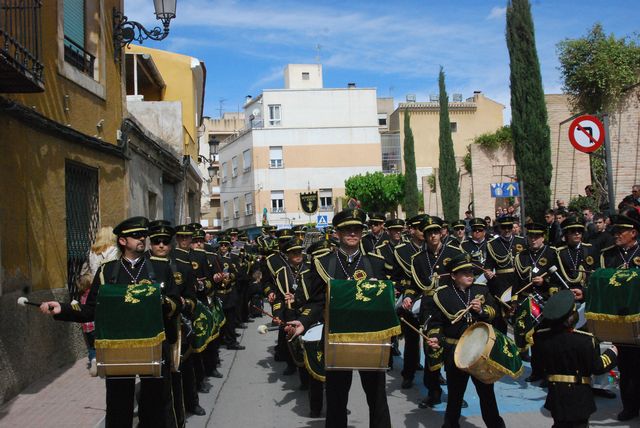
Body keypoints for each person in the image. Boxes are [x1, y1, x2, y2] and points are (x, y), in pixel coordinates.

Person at [39, 216, 182, 428]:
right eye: (135, 235)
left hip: (153, 345)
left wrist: (160, 301)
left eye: (143, 235)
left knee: (154, 406)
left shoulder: (161, 267)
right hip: (118, 347)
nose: (142, 239)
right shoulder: (107, 270)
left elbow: (176, 303)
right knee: (118, 406)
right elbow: (91, 309)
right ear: (123, 241)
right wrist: (63, 309)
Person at [285, 208, 393, 428]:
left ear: (362, 232)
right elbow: (316, 301)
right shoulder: (323, 262)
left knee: (377, 398)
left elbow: (385, 302)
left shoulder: (376, 263)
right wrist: (303, 323)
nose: (352, 233)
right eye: (347, 229)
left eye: (356, 229)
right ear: (337, 232)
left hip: (370, 339)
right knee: (335, 399)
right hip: (336, 337)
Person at [426, 253, 505, 428]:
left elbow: (494, 313)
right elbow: (436, 323)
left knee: (487, 394)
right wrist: (434, 337)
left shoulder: (481, 290)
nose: (470, 275)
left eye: (471, 271)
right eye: (464, 272)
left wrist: (481, 311)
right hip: (456, 352)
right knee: (455, 396)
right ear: (453, 276)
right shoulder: (442, 295)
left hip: (480, 351)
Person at [403, 215, 464, 408]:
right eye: (429, 233)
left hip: (452, 306)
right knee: (432, 349)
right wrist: (408, 297)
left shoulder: (454, 252)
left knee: (455, 352)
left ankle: (456, 394)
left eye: (436, 232)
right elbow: (415, 285)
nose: (433, 236)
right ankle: (433, 392)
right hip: (430, 309)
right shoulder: (418, 259)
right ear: (425, 235)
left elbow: (464, 277)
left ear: (442, 233)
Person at [537, 290, 618, 428]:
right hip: (578, 397)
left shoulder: (541, 337)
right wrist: (612, 353)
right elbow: (597, 367)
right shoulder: (584, 340)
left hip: (556, 395)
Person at [599, 209, 640, 421]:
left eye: (621, 231)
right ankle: (629, 406)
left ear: (633, 232)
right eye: (615, 231)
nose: (616, 234)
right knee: (626, 365)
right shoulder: (608, 255)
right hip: (620, 320)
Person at [76, 226, 119, 376]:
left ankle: (94, 358)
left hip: (95, 290)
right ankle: (110, 358)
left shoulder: (92, 251)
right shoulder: (115, 250)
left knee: (93, 326)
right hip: (111, 291)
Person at [484, 216, 527, 334]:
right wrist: (487, 273)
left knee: (520, 314)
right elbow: (488, 265)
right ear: (499, 228)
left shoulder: (521, 241)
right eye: (504, 227)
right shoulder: (492, 244)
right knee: (502, 317)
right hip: (501, 284)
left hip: (519, 282)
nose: (507, 230)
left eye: (509, 227)